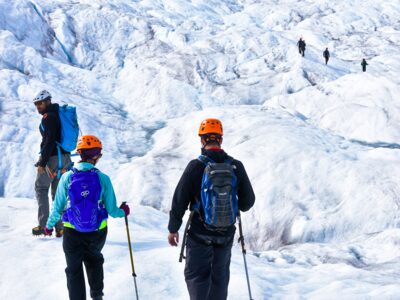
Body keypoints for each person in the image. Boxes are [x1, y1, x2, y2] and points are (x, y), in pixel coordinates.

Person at [168, 118, 255, 300]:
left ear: (202, 140)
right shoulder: (236, 166)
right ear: (220, 140)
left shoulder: (195, 166)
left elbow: (180, 200)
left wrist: (173, 229)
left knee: (197, 277)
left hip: (200, 233)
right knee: (220, 279)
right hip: (225, 234)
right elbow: (248, 202)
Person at [44, 134, 130, 300]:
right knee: (95, 261)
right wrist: (124, 211)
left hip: (71, 232)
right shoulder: (103, 178)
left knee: (73, 270)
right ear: (96, 156)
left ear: (81, 154)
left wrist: (49, 226)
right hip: (97, 231)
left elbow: (58, 207)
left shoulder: (67, 177)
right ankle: (97, 296)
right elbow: (112, 210)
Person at [32, 90, 72, 237]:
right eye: (36, 104)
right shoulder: (59, 115)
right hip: (65, 159)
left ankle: (43, 226)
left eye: (40, 103)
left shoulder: (49, 117)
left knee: (41, 188)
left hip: (53, 160)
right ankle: (60, 227)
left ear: (48, 101)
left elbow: (49, 141)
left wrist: (42, 162)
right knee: (58, 194)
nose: (38, 106)